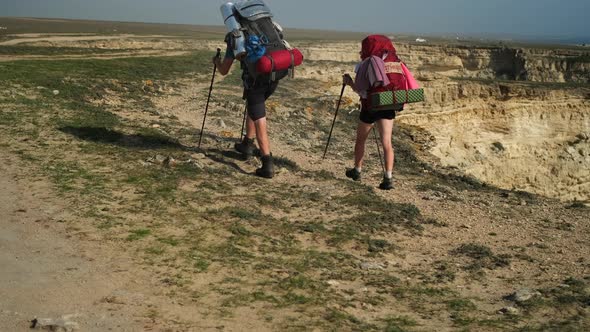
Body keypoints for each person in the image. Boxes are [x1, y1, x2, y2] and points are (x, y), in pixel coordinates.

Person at [342, 35, 405, 190]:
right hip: (389, 104)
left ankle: (357, 171)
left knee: (361, 140)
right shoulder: (395, 62)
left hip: (370, 107)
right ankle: (388, 178)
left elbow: (361, 89)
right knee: (387, 143)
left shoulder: (367, 63)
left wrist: (349, 82)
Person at [213, 34, 278, 179]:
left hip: (256, 82)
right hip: (273, 77)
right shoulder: (264, 29)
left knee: (259, 119)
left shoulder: (235, 38)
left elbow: (224, 70)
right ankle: (247, 143)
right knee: (254, 107)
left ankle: (267, 164)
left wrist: (217, 62)